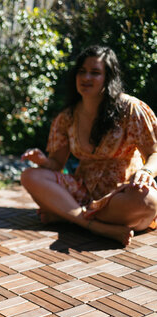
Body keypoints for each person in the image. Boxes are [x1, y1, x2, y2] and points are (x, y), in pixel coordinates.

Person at [21, 45, 157, 247]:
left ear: (108, 78)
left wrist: (146, 171)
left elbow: (154, 152)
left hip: (122, 196)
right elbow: (57, 164)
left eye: (95, 73)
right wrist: (42, 160)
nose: (86, 78)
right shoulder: (67, 116)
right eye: (82, 71)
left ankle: (66, 215)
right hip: (83, 193)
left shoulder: (131, 109)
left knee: (148, 201)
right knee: (30, 175)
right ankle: (95, 226)